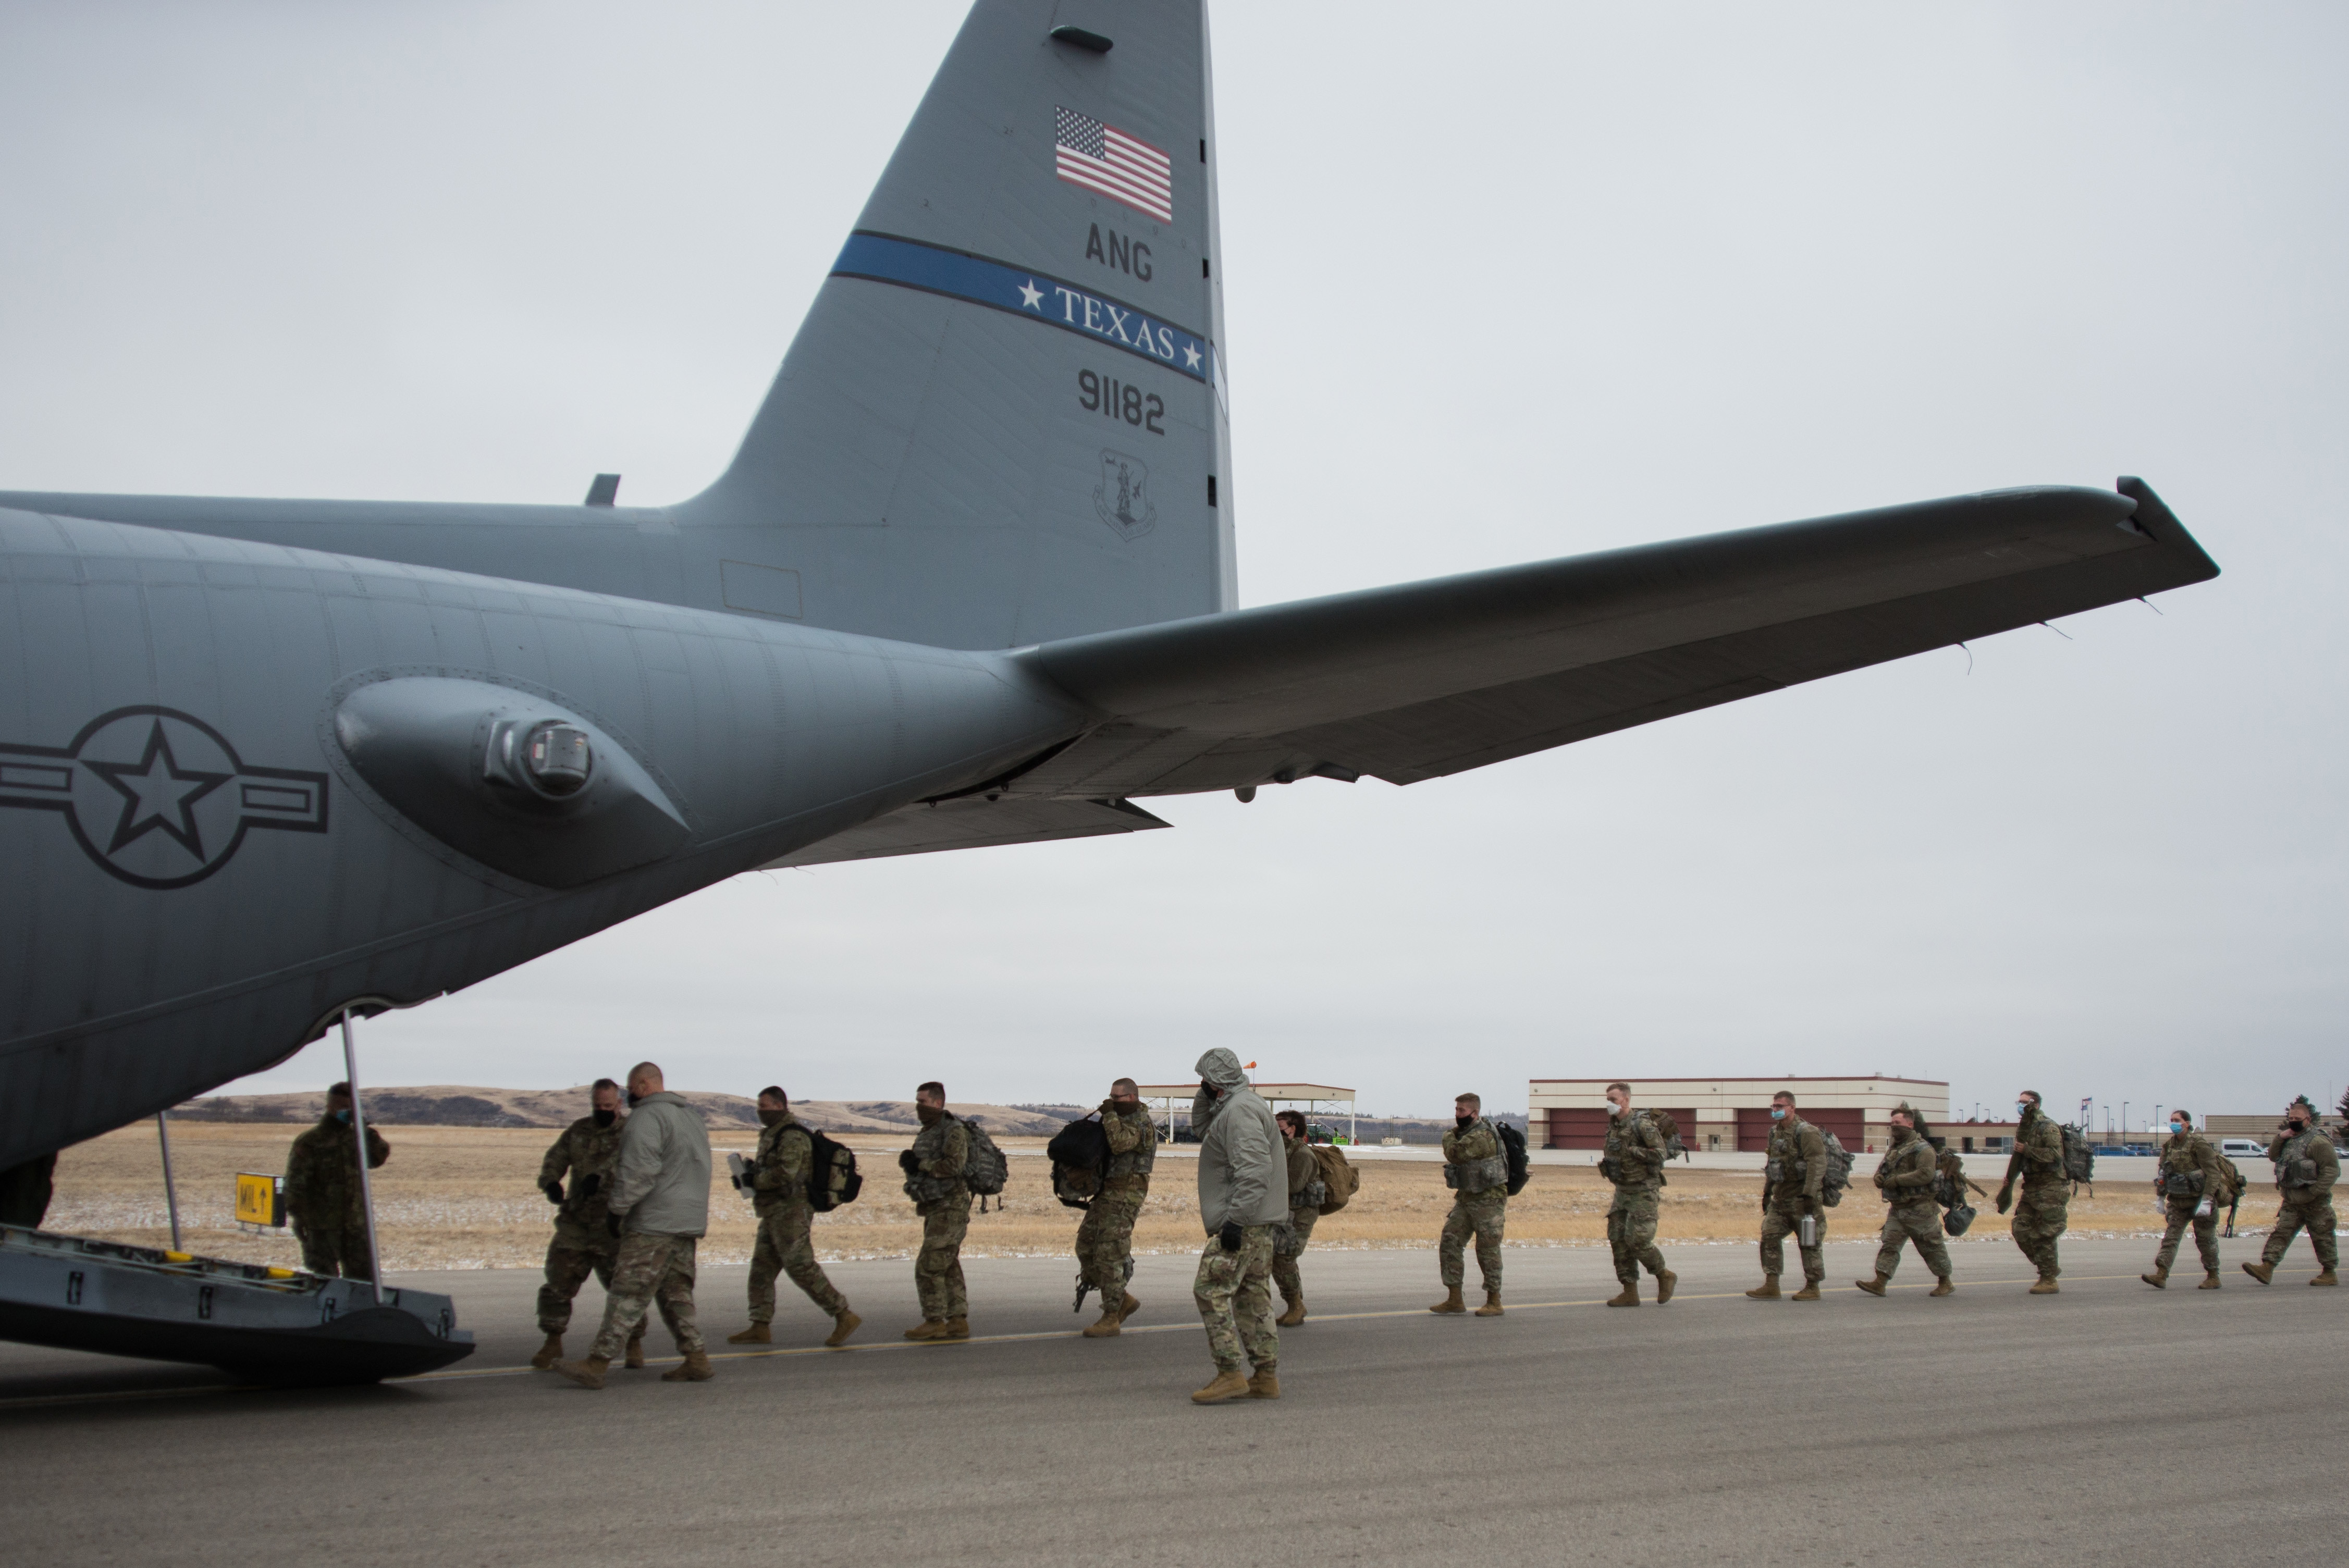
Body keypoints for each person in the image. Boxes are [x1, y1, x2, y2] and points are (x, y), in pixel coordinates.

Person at [556, 1061, 714, 1388]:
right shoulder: (692, 1118)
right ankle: (696, 1358)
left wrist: (617, 1211)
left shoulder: (646, 1118)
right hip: (686, 1221)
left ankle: (597, 1364)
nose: (628, 1097)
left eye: (630, 1089)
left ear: (643, 1085)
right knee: (676, 1293)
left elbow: (639, 1172)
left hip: (654, 1222)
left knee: (627, 1293)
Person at [1189, 1047, 1285, 1403]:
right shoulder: (1238, 1105)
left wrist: (1235, 1220)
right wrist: (1204, 1096)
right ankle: (1265, 1375)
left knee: (1210, 1289)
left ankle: (1229, 1372)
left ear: (1216, 1083)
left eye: (1205, 1081)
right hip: (1257, 1222)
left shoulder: (1241, 1110)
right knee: (1252, 1295)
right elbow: (1203, 1129)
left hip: (1244, 1222)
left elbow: (1255, 1171)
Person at [729, 1087, 860, 1348]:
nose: (760, 1110)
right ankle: (759, 1325)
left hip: (791, 1211)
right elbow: (774, 1169)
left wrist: (755, 1180)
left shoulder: (792, 1136)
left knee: (800, 1266)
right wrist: (750, 1175)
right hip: (773, 1211)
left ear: (779, 1106)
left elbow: (787, 1174)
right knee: (761, 1269)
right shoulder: (774, 1134)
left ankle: (843, 1314)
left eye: (764, 1105)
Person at [531, 1078, 641, 1371]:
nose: (602, 1110)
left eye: (608, 1105)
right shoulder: (579, 1131)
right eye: (597, 1106)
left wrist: (604, 1176)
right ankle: (552, 1340)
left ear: (619, 1104)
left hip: (613, 1224)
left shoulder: (633, 1132)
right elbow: (555, 1158)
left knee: (624, 1289)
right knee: (558, 1282)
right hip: (577, 1221)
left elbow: (640, 1166)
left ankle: (633, 1342)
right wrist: (551, 1182)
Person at [1075, 1077, 1157, 1338]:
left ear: (1131, 1098)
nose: (1111, 1102)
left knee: (1109, 1254)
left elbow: (1120, 1143)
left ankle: (1111, 1316)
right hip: (1106, 1193)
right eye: (1110, 1097)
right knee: (1086, 1246)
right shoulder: (1119, 1119)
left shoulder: (1141, 1123)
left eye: (1117, 1098)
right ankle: (1123, 1299)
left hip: (1126, 1196)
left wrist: (1109, 1115)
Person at [284, 1082, 389, 1281]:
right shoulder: (312, 1141)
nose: (346, 1112)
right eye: (342, 1107)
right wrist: (298, 1217)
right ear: (330, 1107)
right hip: (322, 1227)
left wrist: (365, 1130)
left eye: (350, 1108)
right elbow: (296, 1184)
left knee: (363, 1283)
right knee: (326, 1282)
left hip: (355, 1225)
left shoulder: (357, 1138)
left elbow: (378, 1158)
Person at [900, 1081, 973, 1341]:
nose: (919, 1106)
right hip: (934, 1206)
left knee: (929, 1265)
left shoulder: (952, 1130)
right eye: (918, 1101)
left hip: (950, 1206)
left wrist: (922, 1164)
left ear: (938, 1103)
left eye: (923, 1102)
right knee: (948, 1264)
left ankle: (934, 1321)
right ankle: (957, 1320)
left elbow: (954, 1165)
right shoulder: (929, 1130)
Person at [1855, 1103, 1953, 1298]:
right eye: (1892, 1123)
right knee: (1890, 1244)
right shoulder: (1895, 1149)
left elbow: (1925, 1174)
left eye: (1897, 1123)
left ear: (1909, 1124)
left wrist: (1897, 1181)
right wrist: (1879, 1178)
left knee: (1931, 1247)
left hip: (1920, 1209)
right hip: (1898, 1209)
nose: (1894, 1126)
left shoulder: (1923, 1149)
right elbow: (1884, 1169)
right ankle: (1880, 1282)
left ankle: (1945, 1281)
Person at [2244, 1095, 2338, 1286]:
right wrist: (2280, 1138)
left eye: (2298, 1119)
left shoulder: (2318, 1142)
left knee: (2322, 1236)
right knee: (2282, 1232)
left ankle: (2329, 1272)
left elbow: (2331, 1170)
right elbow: (2273, 1156)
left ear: (2308, 1120)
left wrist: (2314, 1192)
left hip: (2314, 1201)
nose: (2294, 1122)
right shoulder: (2289, 1138)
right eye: (2291, 1119)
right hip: (2292, 1199)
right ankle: (2267, 1268)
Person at [1597, 1083, 1676, 1307]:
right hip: (1623, 1190)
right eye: (1608, 1099)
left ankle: (1664, 1274)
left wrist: (1634, 1151)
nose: (1609, 1104)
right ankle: (1630, 1291)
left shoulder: (1642, 1124)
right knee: (1618, 1239)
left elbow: (1660, 1154)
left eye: (1613, 1099)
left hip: (1643, 1190)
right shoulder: (1613, 1126)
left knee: (1638, 1240)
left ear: (1626, 1100)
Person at [1432, 1093, 1509, 1317]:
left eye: (1462, 1111)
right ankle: (1455, 1298)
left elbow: (1456, 1154)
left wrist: (1448, 1135)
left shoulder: (1482, 1136)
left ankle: (1494, 1301)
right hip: (1467, 1198)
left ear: (1475, 1113)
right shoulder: (1468, 1132)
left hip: (1489, 1200)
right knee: (1450, 1240)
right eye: (1456, 1110)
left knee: (1487, 1249)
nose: (1457, 1115)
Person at [1749, 1090, 1825, 1301]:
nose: (1775, 1110)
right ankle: (1772, 1285)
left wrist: (1810, 1195)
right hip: (1781, 1198)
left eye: (1779, 1107)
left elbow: (1817, 1164)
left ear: (1792, 1108)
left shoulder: (1807, 1132)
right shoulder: (1774, 1132)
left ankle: (1813, 1286)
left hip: (1803, 1199)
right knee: (1769, 1235)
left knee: (1809, 1242)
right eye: (1773, 1107)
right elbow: (1773, 1163)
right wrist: (1767, 1192)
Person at [2142, 1109, 2229, 1290]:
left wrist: (2207, 1200)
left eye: (2177, 1120)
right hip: (2179, 1202)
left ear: (2187, 1124)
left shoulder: (2199, 1144)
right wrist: (2160, 1196)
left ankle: (2214, 1276)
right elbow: (2163, 1173)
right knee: (2170, 1238)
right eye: (2172, 1120)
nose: (2173, 1123)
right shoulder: (2169, 1146)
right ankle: (2161, 1275)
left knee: (2205, 1240)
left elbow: (2213, 1174)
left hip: (2200, 1201)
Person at [1995, 1089, 2067, 1294]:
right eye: (2019, 1101)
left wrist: (2027, 1150)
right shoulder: (2025, 1127)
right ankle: (2049, 1268)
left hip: (2051, 1187)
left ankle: (2049, 1279)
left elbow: (2056, 1156)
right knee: (2020, 1228)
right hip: (2032, 1187)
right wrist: (2010, 1179)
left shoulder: (2048, 1127)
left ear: (2035, 1105)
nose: (2020, 1105)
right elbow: (2019, 1158)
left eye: (2024, 1102)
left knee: (2044, 1234)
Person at [1272, 1110, 1324, 1327]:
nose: (1274, 1131)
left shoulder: (1302, 1155)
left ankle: (1296, 1305)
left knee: (1283, 1257)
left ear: (1292, 1129)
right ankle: (1295, 1306)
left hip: (1301, 1215)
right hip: (1288, 1213)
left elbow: (1293, 1185)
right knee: (1281, 1258)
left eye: (1279, 1127)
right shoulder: (1283, 1151)